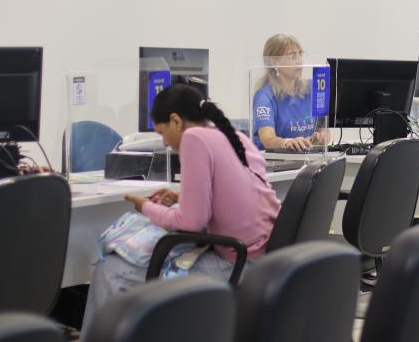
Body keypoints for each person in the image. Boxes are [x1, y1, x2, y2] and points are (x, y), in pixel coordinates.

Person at [83, 84, 281, 323]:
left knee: (110, 271)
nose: (164, 143)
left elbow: (191, 222)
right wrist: (181, 199)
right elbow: (234, 194)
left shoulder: (194, 138)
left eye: (161, 133)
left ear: (176, 121)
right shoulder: (232, 135)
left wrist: (145, 206)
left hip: (237, 265)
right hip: (262, 259)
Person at [252, 34, 327, 151]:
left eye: (300, 54)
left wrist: (320, 136)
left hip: (307, 158)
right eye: (292, 56)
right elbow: (267, 139)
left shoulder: (313, 88)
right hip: (274, 163)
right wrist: (286, 142)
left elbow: (323, 127)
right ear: (274, 62)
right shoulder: (264, 96)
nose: (299, 61)